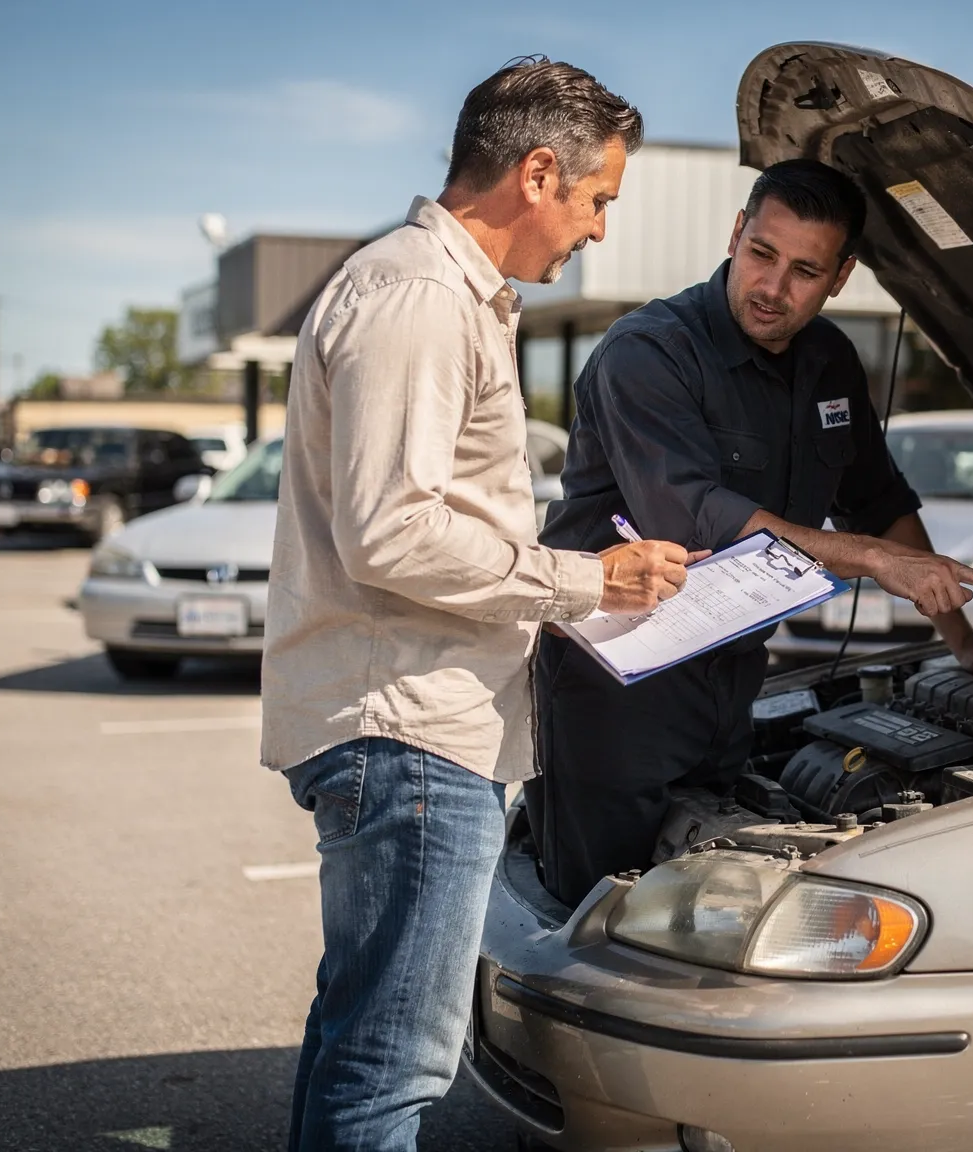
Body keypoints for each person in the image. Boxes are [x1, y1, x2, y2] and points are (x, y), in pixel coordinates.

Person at [260, 57, 692, 1152]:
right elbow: (392, 532)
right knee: (393, 1060)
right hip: (408, 731)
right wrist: (587, 581)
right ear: (538, 174)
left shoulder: (437, 292)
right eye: (598, 199)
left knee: (360, 1033)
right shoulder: (416, 296)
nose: (598, 229)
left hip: (405, 722)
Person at [532, 158, 973, 906]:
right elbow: (691, 516)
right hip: (616, 691)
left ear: (841, 277)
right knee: (597, 914)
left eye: (805, 271)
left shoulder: (830, 362)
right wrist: (873, 560)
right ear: (736, 233)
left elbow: (877, 501)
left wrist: (963, 642)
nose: (772, 289)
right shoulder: (648, 353)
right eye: (761, 255)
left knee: (700, 910)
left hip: (734, 680)